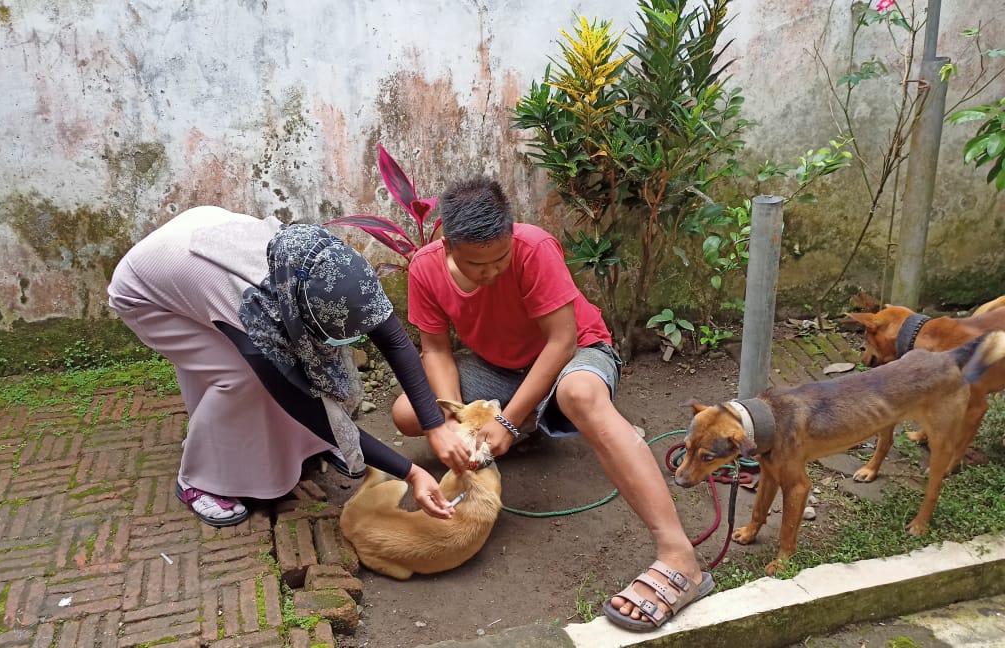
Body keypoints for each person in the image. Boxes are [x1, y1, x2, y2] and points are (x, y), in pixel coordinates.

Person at [391, 177, 712, 632]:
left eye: (500, 258)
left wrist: (505, 418)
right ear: (448, 245)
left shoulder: (534, 247)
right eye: (477, 265)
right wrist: (456, 420)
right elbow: (437, 351)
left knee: (577, 394)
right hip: (501, 369)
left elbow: (562, 341)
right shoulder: (424, 268)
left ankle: (680, 558)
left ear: (509, 234)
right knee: (411, 413)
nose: (492, 272)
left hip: (577, 353)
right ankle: (525, 427)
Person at [108, 206, 470, 527]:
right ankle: (199, 479)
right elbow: (303, 405)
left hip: (195, 241)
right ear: (294, 312)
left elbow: (394, 341)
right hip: (149, 293)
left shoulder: (333, 270)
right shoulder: (255, 311)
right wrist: (411, 472)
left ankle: (301, 446)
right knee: (242, 380)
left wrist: (435, 425)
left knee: (290, 366)